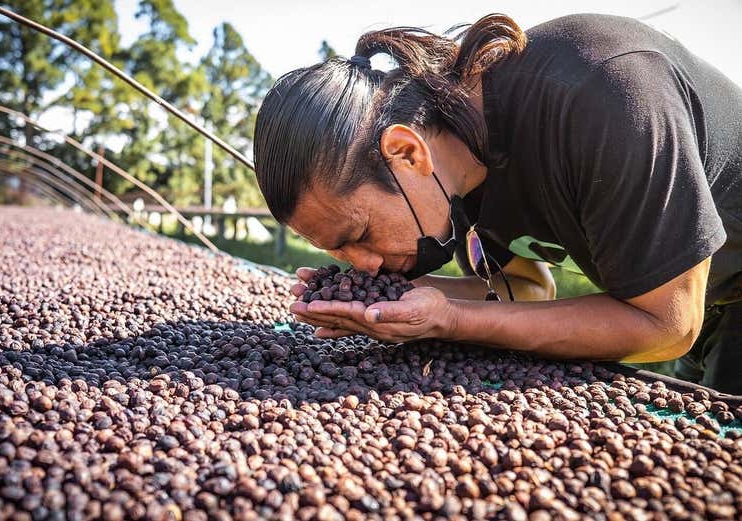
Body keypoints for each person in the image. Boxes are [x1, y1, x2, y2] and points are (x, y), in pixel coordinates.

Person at [252, 14, 742, 393]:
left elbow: (668, 324)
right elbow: (525, 291)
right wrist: (401, 301)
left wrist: (451, 321)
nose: (366, 264)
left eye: (358, 236)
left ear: (405, 152)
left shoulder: (605, 97)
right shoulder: (456, 168)